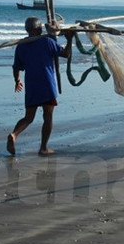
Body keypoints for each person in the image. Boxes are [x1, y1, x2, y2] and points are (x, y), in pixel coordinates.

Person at [7, 16, 74, 156]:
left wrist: (17, 80)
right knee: (48, 116)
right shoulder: (47, 41)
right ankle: (43, 148)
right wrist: (69, 39)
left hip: (32, 85)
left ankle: (14, 134)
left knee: (28, 117)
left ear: (27, 30)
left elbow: (16, 67)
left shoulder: (22, 45)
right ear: (39, 29)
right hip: (47, 84)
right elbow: (66, 54)